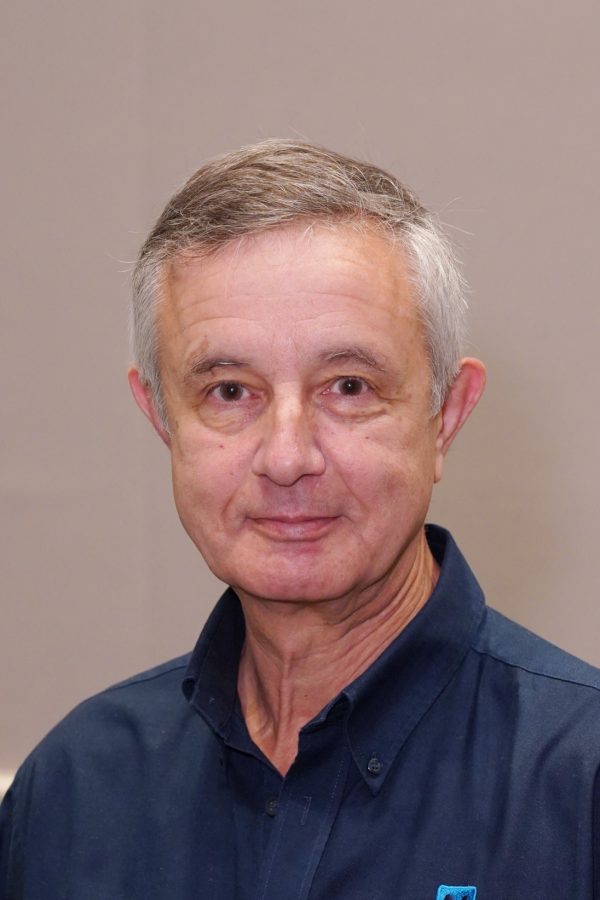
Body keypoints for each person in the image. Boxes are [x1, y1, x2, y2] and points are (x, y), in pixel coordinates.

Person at [1, 140, 599, 900]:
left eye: (348, 386)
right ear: (161, 419)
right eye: (228, 391)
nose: (286, 457)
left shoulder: (579, 784)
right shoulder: (75, 791)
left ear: (444, 415)